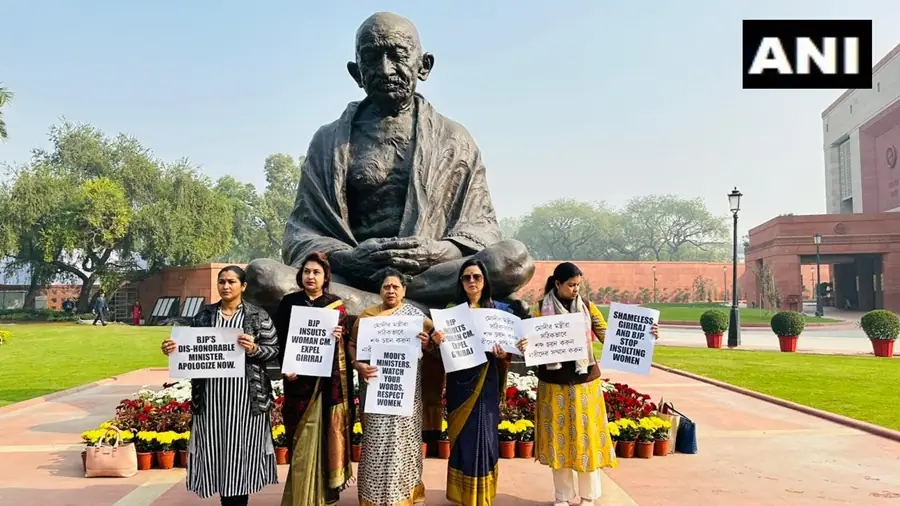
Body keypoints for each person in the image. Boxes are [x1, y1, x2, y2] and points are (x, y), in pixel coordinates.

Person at [244, 11, 534, 316]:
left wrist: (441, 251)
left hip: (431, 275)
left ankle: (382, 307)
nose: (385, 69)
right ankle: (418, 313)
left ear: (424, 66)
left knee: (513, 259)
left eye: (397, 55)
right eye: (371, 58)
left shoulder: (455, 139)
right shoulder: (328, 141)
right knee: (264, 277)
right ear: (356, 73)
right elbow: (300, 234)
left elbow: (482, 228)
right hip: (351, 275)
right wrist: (348, 257)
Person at [517, 262, 659, 506]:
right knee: (557, 439)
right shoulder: (540, 311)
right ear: (558, 283)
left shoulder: (587, 307)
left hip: (586, 384)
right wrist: (524, 345)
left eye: (578, 285)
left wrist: (646, 336)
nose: (575, 289)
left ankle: (588, 497)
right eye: (571, 285)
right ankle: (562, 496)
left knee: (587, 439)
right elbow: (530, 341)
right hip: (553, 385)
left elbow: (608, 335)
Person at [160, 265, 280, 506]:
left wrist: (255, 349)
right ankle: (225, 497)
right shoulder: (204, 316)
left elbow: (275, 350)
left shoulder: (258, 316)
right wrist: (173, 349)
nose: (226, 286)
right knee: (215, 450)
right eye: (222, 281)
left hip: (247, 399)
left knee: (241, 452)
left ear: (243, 286)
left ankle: (237, 500)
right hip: (211, 399)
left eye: (231, 282)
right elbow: (191, 349)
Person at [431, 258, 513, 506]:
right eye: (466, 277)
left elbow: (508, 349)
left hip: (486, 381)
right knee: (462, 438)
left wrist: (503, 353)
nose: (471, 281)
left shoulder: (498, 311)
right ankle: (462, 494)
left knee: (485, 436)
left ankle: (482, 495)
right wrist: (437, 342)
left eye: (476, 277)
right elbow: (440, 352)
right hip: (459, 383)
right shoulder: (451, 310)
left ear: (484, 280)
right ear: (461, 282)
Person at [348, 268, 433, 506]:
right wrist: (357, 365)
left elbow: (436, 343)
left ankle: (403, 495)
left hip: (405, 390)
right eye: (386, 286)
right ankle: (373, 498)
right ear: (380, 291)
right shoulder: (368, 316)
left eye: (396, 286)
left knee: (403, 442)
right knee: (375, 442)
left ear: (404, 291)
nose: (391, 290)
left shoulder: (415, 317)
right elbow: (352, 344)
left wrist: (427, 344)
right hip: (375, 389)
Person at [274, 252, 352, 506]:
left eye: (316, 272)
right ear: (300, 275)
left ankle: (323, 494)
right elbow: (280, 341)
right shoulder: (289, 303)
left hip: (326, 386)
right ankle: (300, 496)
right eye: (307, 271)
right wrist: (285, 368)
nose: (311, 276)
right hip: (298, 384)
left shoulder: (335, 305)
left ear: (325, 277)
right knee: (300, 442)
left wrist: (340, 336)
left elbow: (345, 345)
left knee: (325, 439)